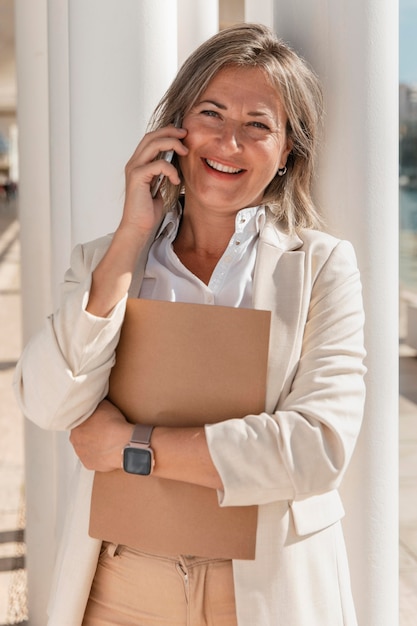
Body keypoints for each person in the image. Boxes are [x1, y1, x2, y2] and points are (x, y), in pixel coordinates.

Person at [14, 23, 366, 626]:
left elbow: (317, 447)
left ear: (287, 153)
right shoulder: (106, 260)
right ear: (176, 128)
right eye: (211, 113)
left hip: (263, 586)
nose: (229, 141)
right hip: (121, 582)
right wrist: (131, 235)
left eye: (258, 125)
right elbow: (48, 403)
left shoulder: (323, 268)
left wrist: (133, 447)